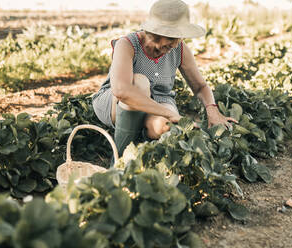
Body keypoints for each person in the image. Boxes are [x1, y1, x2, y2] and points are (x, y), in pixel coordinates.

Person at [92, 0, 237, 159]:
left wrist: (212, 109)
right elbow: (121, 91)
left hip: (159, 101)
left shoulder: (179, 48)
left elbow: (200, 86)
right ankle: (119, 160)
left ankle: (143, 152)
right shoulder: (127, 45)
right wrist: (168, 112)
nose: (175, 45)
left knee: (164, 127)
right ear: (156, 34)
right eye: (171, 40)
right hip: (114, 103)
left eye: (179, 38)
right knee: (140, 83)